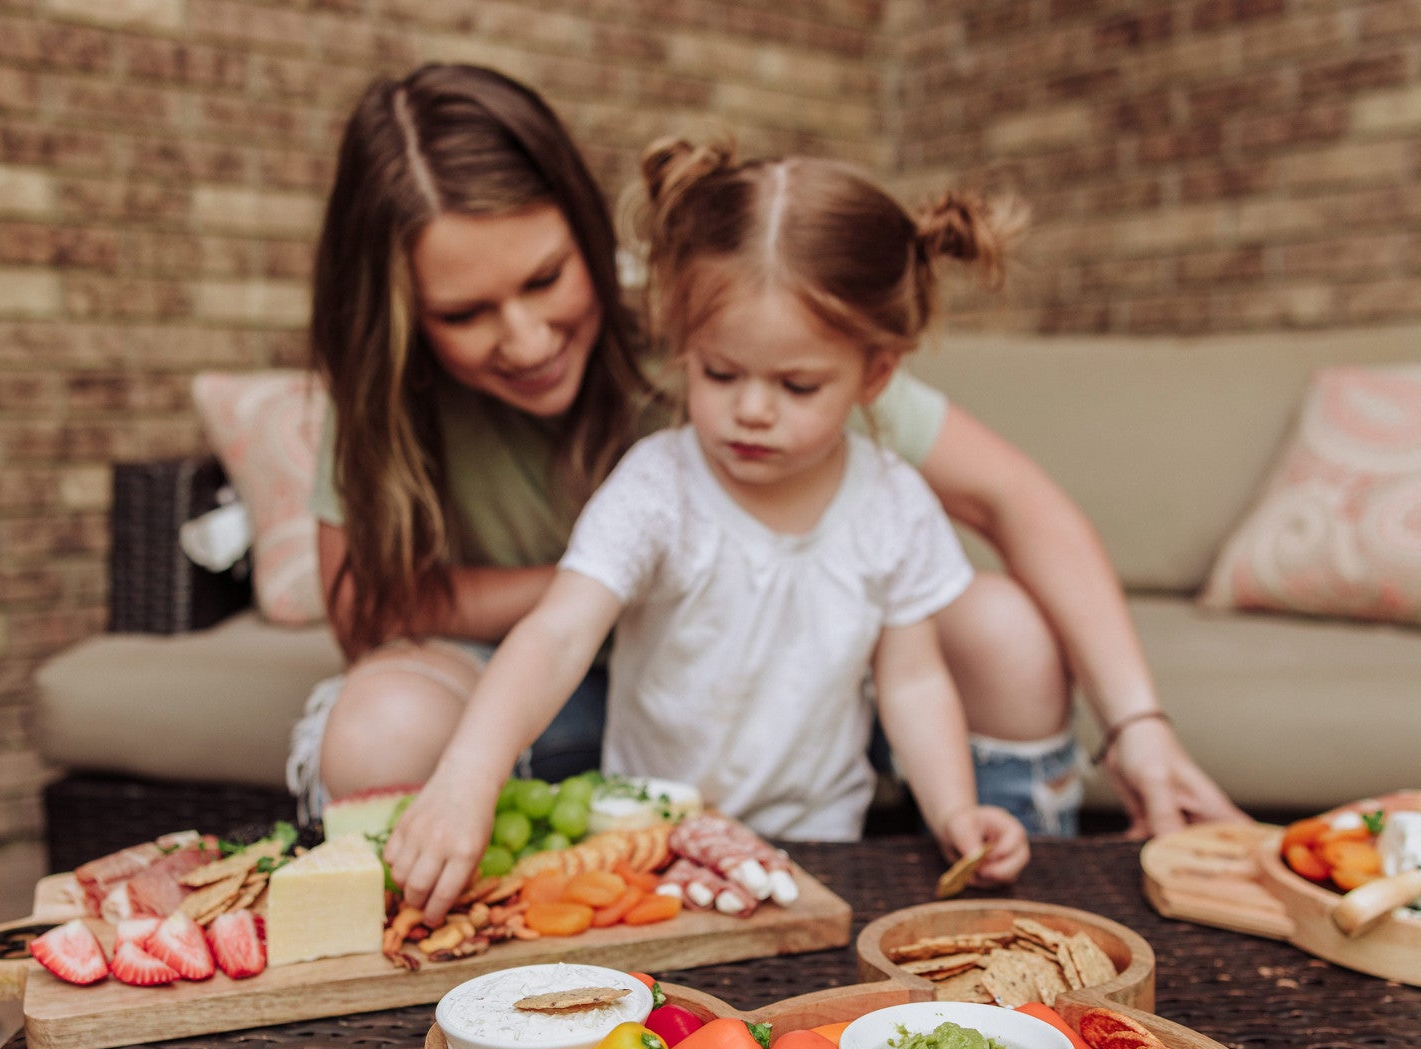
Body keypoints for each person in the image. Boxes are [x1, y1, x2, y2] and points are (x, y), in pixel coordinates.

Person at [296, 63, 1245, 842]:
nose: (529, 337)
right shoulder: (653, 439)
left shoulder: (743, 311)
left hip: (792, 714)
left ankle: (1013, 869)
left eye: (547, 279)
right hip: (579, 709)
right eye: (464, 313)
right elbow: (398, 616)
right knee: (382, 727)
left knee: (999, 622)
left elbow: (1014, 506)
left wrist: (1139, 725)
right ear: (403, 318)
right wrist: (630, 575)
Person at [386, 141, 1032, 920]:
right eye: (720, 374)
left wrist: (954, 811)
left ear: (875, 374)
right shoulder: (659, 486)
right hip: (650, 845)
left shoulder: (893, 503)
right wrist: (467, 776)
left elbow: (914, 680)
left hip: (822, 852)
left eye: (797, 385)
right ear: (684, 347)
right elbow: (556, 634)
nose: (752, 410)